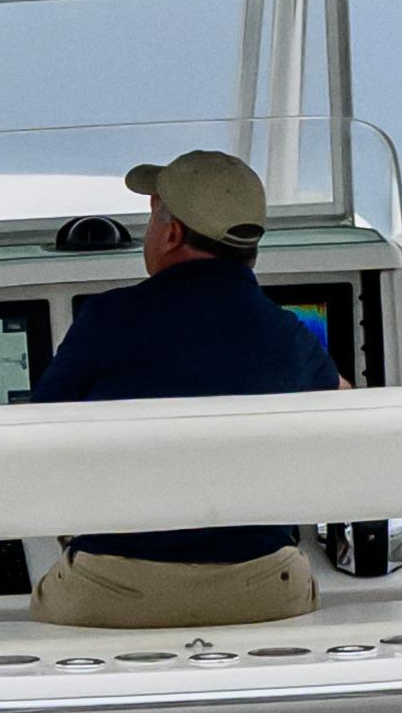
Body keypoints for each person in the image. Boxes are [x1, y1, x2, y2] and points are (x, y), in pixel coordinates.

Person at [27, 147, 341, 627]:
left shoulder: (109, 319)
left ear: (171, 233)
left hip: (116, 593)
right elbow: (361, 427)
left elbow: (31, 438)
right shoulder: (291, 335)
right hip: (261, 595)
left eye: (152, 214)